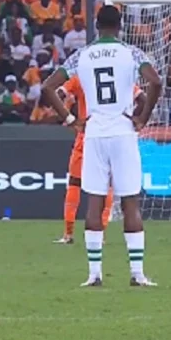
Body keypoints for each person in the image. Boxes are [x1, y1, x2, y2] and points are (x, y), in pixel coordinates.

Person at [41, 5, 162, 287]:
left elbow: (48, 87)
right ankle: (137, 274)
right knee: (130, 202)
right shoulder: (131, 53)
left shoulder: (82, 55)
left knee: (94, 202)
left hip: (94, 133)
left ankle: (94, 274)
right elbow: (155, 82)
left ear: (96, 26)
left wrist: (71, 119)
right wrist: (142, 118)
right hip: (123, 132)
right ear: (120, 26)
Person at [53, 73, 138, 244]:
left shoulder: (81, 77)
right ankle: (101, 234)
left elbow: (57, 94)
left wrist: (70, 119)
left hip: (88, 134)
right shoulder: (119, 75)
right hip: (114, 135)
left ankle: (68, 234)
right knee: (106, 186)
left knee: (75, 183)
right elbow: (140, 98)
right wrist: (133, 119)